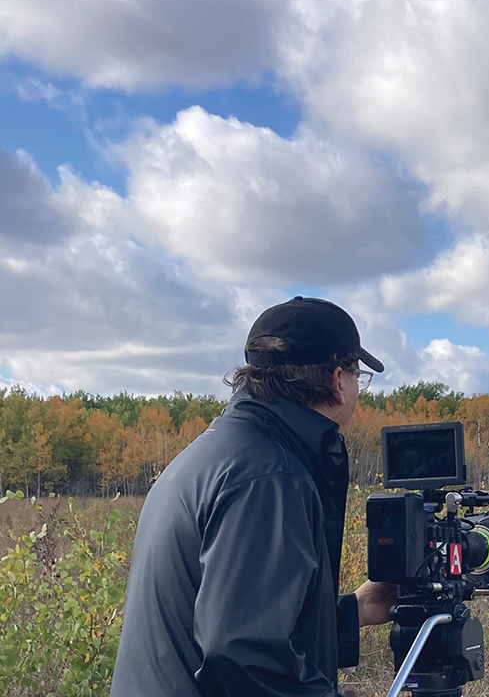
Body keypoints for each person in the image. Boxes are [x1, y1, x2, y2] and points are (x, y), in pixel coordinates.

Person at [111, 297, 398, 697]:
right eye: (358, 377)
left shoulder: (222, 450)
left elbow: (234, 617)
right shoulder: (271, 477)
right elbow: (242, 651)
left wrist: (356, 611)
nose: (356, 391)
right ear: (337, 381)